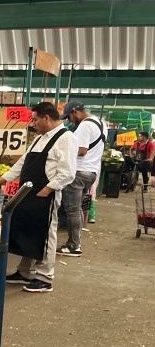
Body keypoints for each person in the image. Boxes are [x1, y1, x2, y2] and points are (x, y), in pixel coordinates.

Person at [0, 102, 76, 292]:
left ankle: (45, 277)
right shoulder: (39, 138)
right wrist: (3, 179)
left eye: (35, 119)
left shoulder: (66, 138)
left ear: (47, 118)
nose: (33, 123)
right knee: (29, 230)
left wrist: (48, 189)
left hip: (46, 194)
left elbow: (68, 172)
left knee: (46, 233)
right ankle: (25, 272)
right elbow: (23, 162)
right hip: (28, 192)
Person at [56, 101, 105, 256]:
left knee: (72, 210)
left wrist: (62, 152)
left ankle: (73, 245)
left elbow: (82, 151)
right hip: (91, 172)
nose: (70, 121)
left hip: (79, 172)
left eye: (69, 117)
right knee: (76, 209)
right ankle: (74, 243)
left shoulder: (85, 125)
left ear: (75, 112)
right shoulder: (99, 122)